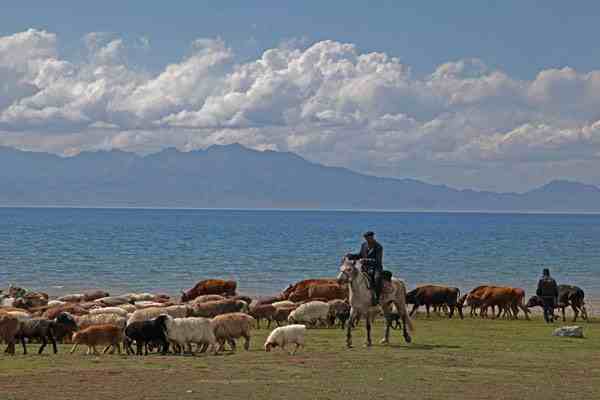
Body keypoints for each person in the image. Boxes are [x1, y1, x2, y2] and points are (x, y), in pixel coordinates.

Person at [347, 231, 383, 306]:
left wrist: (365, 260)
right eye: (365, 238)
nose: (367, 240)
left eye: (368, 238)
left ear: (372, 237)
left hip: (376, 268)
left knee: (377, 278)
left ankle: (377, 298)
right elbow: (360, 255)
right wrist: (351, 256)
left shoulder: (379, 247)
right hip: (365, 268)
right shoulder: (364, 245)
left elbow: (378, 260)